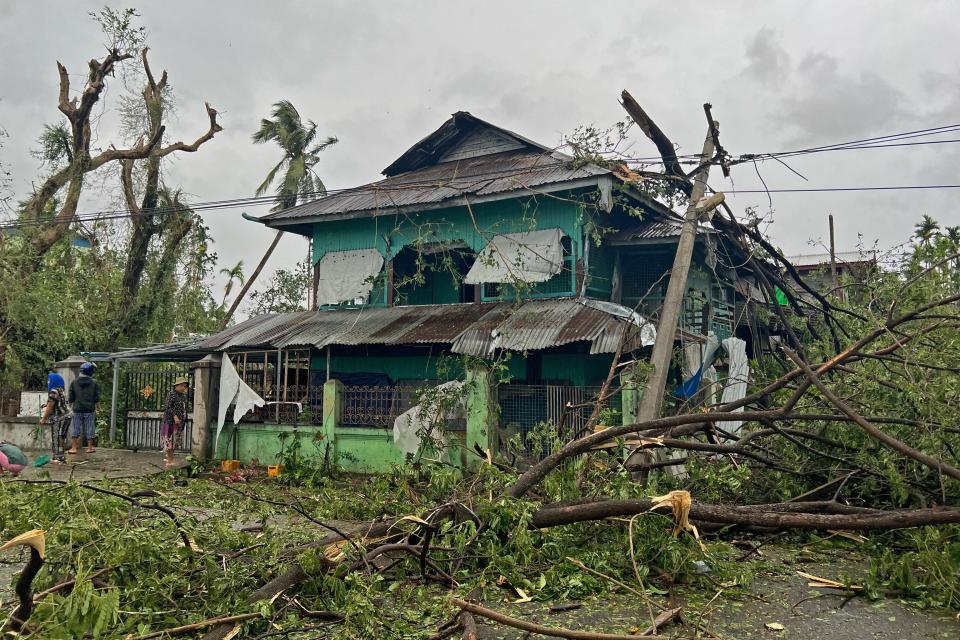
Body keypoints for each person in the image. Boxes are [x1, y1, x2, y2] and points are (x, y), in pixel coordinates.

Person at [68, 362, 100, 454]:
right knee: (90, 428)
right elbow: (96, 398)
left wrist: (70, 407)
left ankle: (74, 448)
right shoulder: (94, 383)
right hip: (89, 410)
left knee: (75, 427)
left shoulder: (74, 382)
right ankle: (89, 448)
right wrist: (98, 408)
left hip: (77, 409)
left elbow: (71, 397)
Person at [39, 372, 70, 462]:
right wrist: (46, 404)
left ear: (54, 381)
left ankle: (57, 456)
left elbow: (50, 406)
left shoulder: (53, 392)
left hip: (59, 417)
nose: (48, 382)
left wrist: (43, 419)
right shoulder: (60, 390)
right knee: (62, 436)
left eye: (49, 380)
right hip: (67, 416)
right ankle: (61, 455)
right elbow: (58, 403)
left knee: (56, 436)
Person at [161, 377, 189, 466]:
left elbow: (183, 408)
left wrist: (184, 418)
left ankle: (170, 459)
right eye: (182, 386)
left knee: (175, 441)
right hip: (170, 422)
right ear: (177, 386)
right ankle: (170, 461)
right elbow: (168, 407)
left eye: (185, 386)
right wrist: (175, 416)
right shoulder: (171, 394)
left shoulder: (183, 396)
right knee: (169, 441)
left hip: (179, 423)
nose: (184, 388)